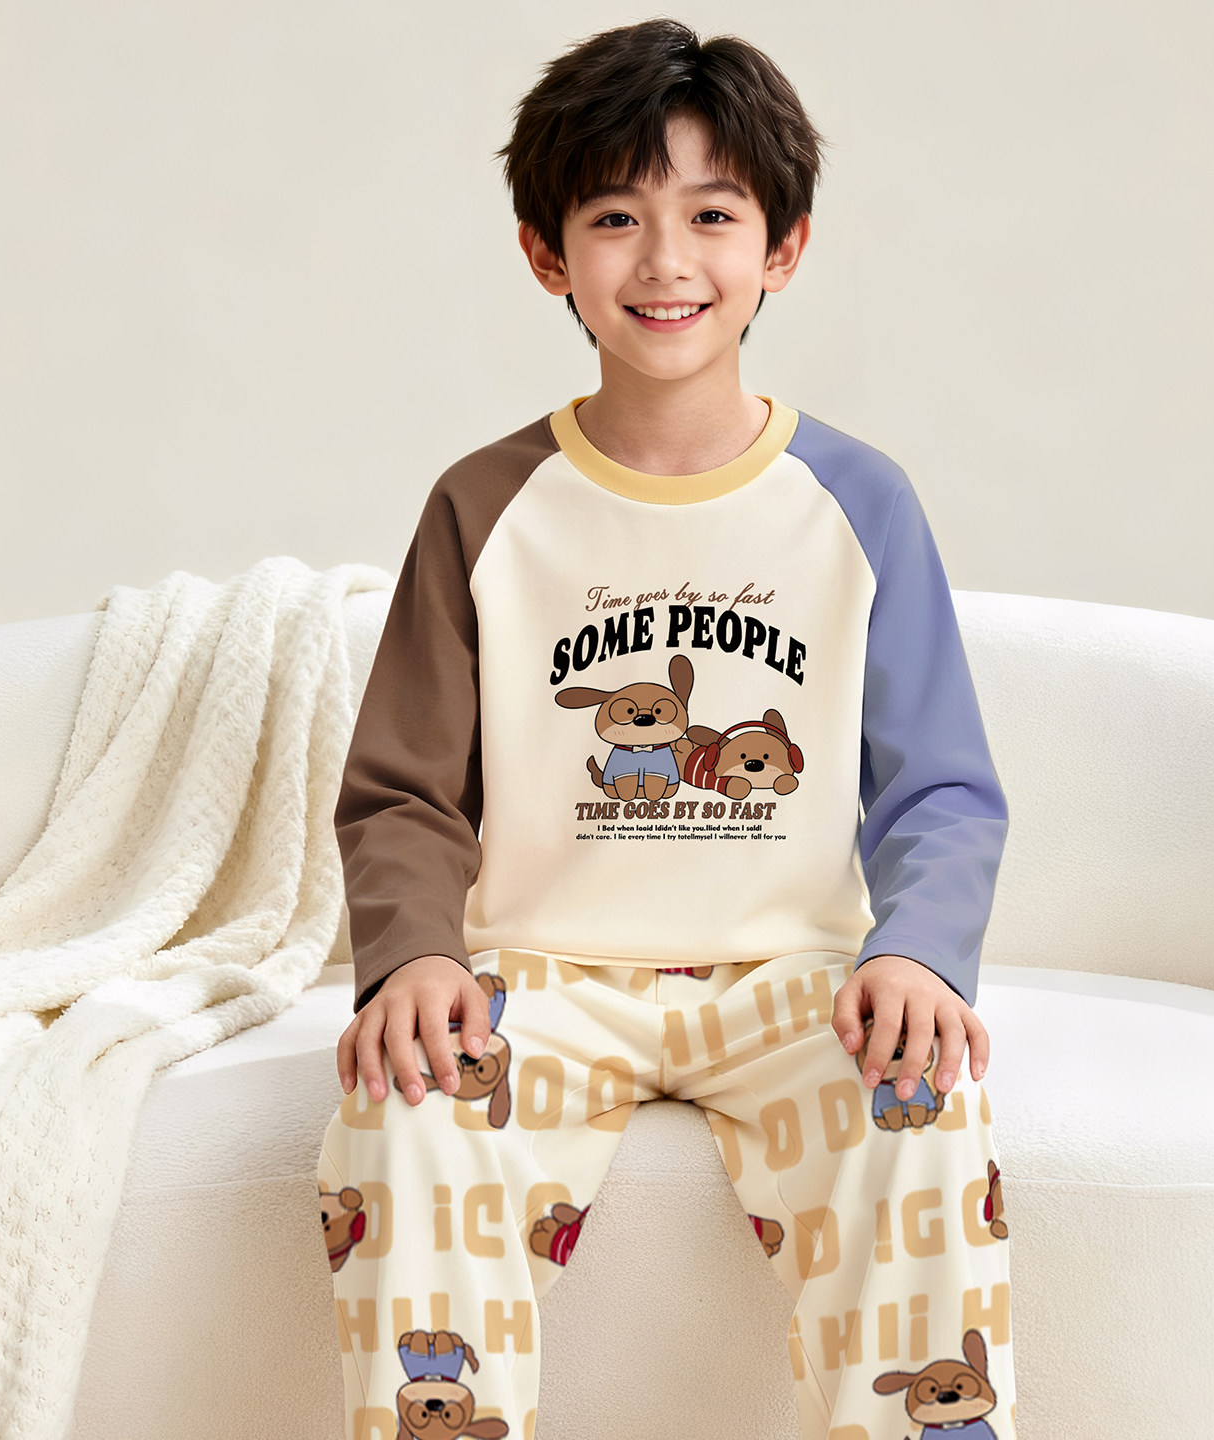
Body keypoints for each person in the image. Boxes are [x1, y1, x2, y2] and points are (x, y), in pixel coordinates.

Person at [318, 17, 1017, 1440]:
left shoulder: (860, 502)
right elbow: (402, 791)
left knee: (922, 1111)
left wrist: (919, 949)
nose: (665, 261)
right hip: (543, 977)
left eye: (712, 214)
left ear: (783, 247)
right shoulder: (485, 505)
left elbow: (939, 787)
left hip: (793, 981)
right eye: (615, 218)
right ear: (547, 254)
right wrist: (414, 956)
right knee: (404, 1111)